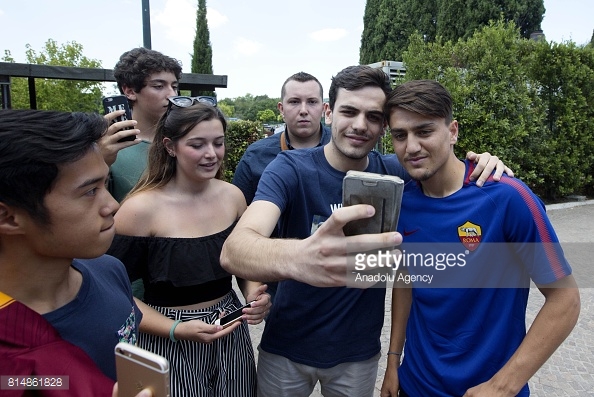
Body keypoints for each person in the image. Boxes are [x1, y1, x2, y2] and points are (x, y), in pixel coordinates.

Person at [220, 66, 510, 397]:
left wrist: (484, 161)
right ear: (329, 113)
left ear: (384, 125)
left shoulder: (396, 172)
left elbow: (444, 161)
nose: (360, 125)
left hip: (357, 355)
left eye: (373, 116)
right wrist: (302, 257)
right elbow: (235, 249)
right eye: (349, 111)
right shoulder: (289, 170)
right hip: (286, 346)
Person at [380, 80, 580, 396]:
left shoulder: (508, 198)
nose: (411, 146)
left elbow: (565, 300)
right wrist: (393, 361)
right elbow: (406, 280)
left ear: (453, 131)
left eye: (425, 131)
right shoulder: (403, 203)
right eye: (400, 135)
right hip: (415, 384)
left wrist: (503, 386)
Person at [107, 99, 271, 396]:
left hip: (229, 333)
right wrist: (175, 329)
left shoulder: (233, 197)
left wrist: (253, 293)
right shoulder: (138, 210)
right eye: (197, 145)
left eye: (218, 143)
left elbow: (242, 262)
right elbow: (111, 291)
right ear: (170, 146)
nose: (211, 154)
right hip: (167, 340)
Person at [0, 110, 141, 394]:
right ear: (8, 218)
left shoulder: (109, 269)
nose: (112, 205)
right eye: (89, 191)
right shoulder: (11, 340)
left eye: (105, 184)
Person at [100, 47, 183, 203]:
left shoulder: (185, 139)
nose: (172, 95)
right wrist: (100, 162)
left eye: (175, 86)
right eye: (159, 86)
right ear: (129, 91)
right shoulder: (108, 146)